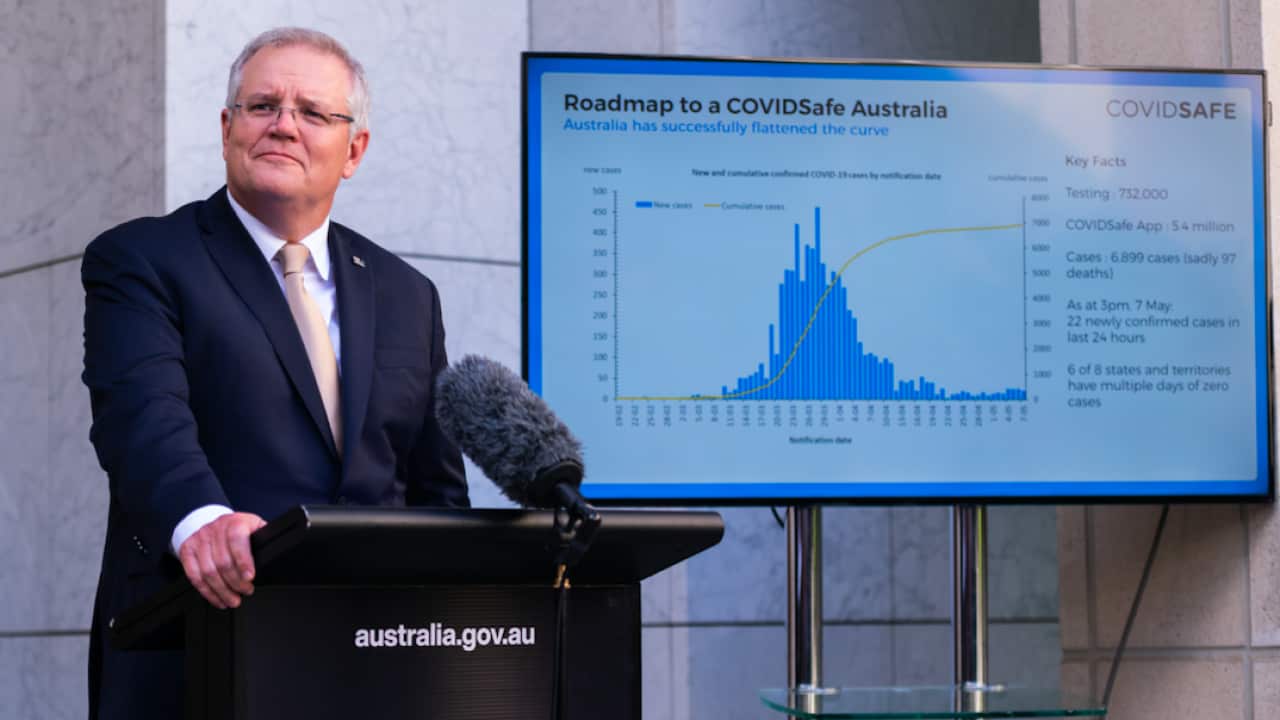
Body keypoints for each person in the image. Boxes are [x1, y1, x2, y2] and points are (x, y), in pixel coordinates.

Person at [81, 27, 468, 720]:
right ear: (229, 128)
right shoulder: (143, 259)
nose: (284, 125)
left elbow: (434, 487)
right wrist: (203, 522)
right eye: (262, 106)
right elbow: (141, 415)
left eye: (313, 113)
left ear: (354, 151)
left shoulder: (407, 292)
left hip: (374, 666)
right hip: (200, 648)